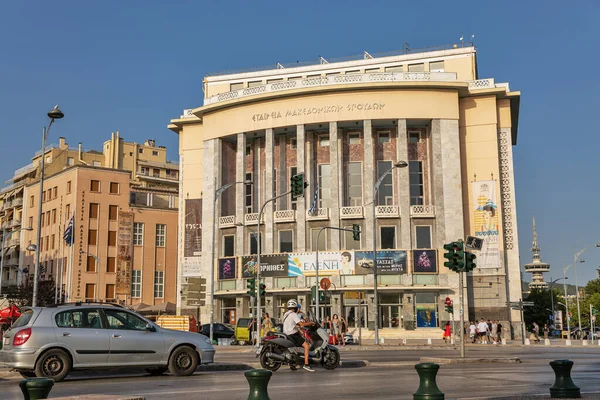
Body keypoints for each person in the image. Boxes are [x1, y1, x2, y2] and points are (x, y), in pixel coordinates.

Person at [283, 299, 315, 372]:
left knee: (297, 348)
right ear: (295, 307)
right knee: (307, 346)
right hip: (293, 334)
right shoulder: (294, 314)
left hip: (286, 334)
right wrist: (311, 323)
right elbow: (302, 324)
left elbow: (291, 323)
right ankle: (306, 365)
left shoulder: (286, 314)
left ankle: (293, 364)